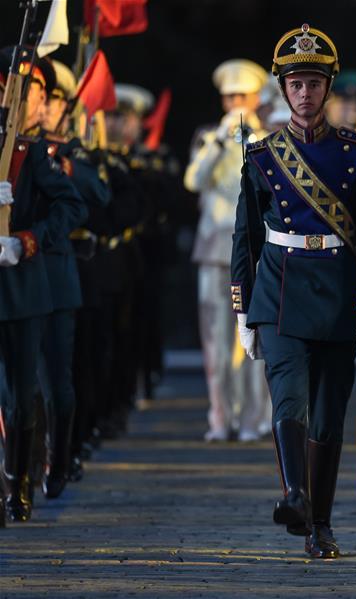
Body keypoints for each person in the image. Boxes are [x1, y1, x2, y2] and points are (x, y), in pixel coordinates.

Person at [231, 24, 356, 558]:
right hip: (281, 290)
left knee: (328, 416)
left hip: (338, 293)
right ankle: (293, 491)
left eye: (314, 83)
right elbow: (245, 236)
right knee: (288, 398)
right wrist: (244, 309)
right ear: (283, 88)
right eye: (295, 84)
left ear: (328, 88)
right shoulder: (262, 156)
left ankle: (320, 521)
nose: (305, 93)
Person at [0, 47, 86, 522]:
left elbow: (71, 206)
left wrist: (30, 240)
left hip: (22, 283)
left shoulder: (29, 152)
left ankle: (17, 484)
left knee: (20, 393)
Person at [184, 58, 271, 443]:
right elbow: (193, 181)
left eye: (243, 95)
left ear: (256, 98)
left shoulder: (267, 137)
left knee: (252, 338)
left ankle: (253, 417)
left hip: (254, 247)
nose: (236, 102)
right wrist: (220, 142)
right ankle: (219, 417)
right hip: (214, 248)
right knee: (215, 340)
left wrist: (251, 140)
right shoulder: (208, 138)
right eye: (229, 96)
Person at [37, 58, 109, 498]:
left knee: (63, 376)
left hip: (64, 269)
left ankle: (60, 456)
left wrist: (64, 165)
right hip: (18, 272)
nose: (42, 108)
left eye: (49, 99)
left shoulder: (74, 155)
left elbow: (98, 193)